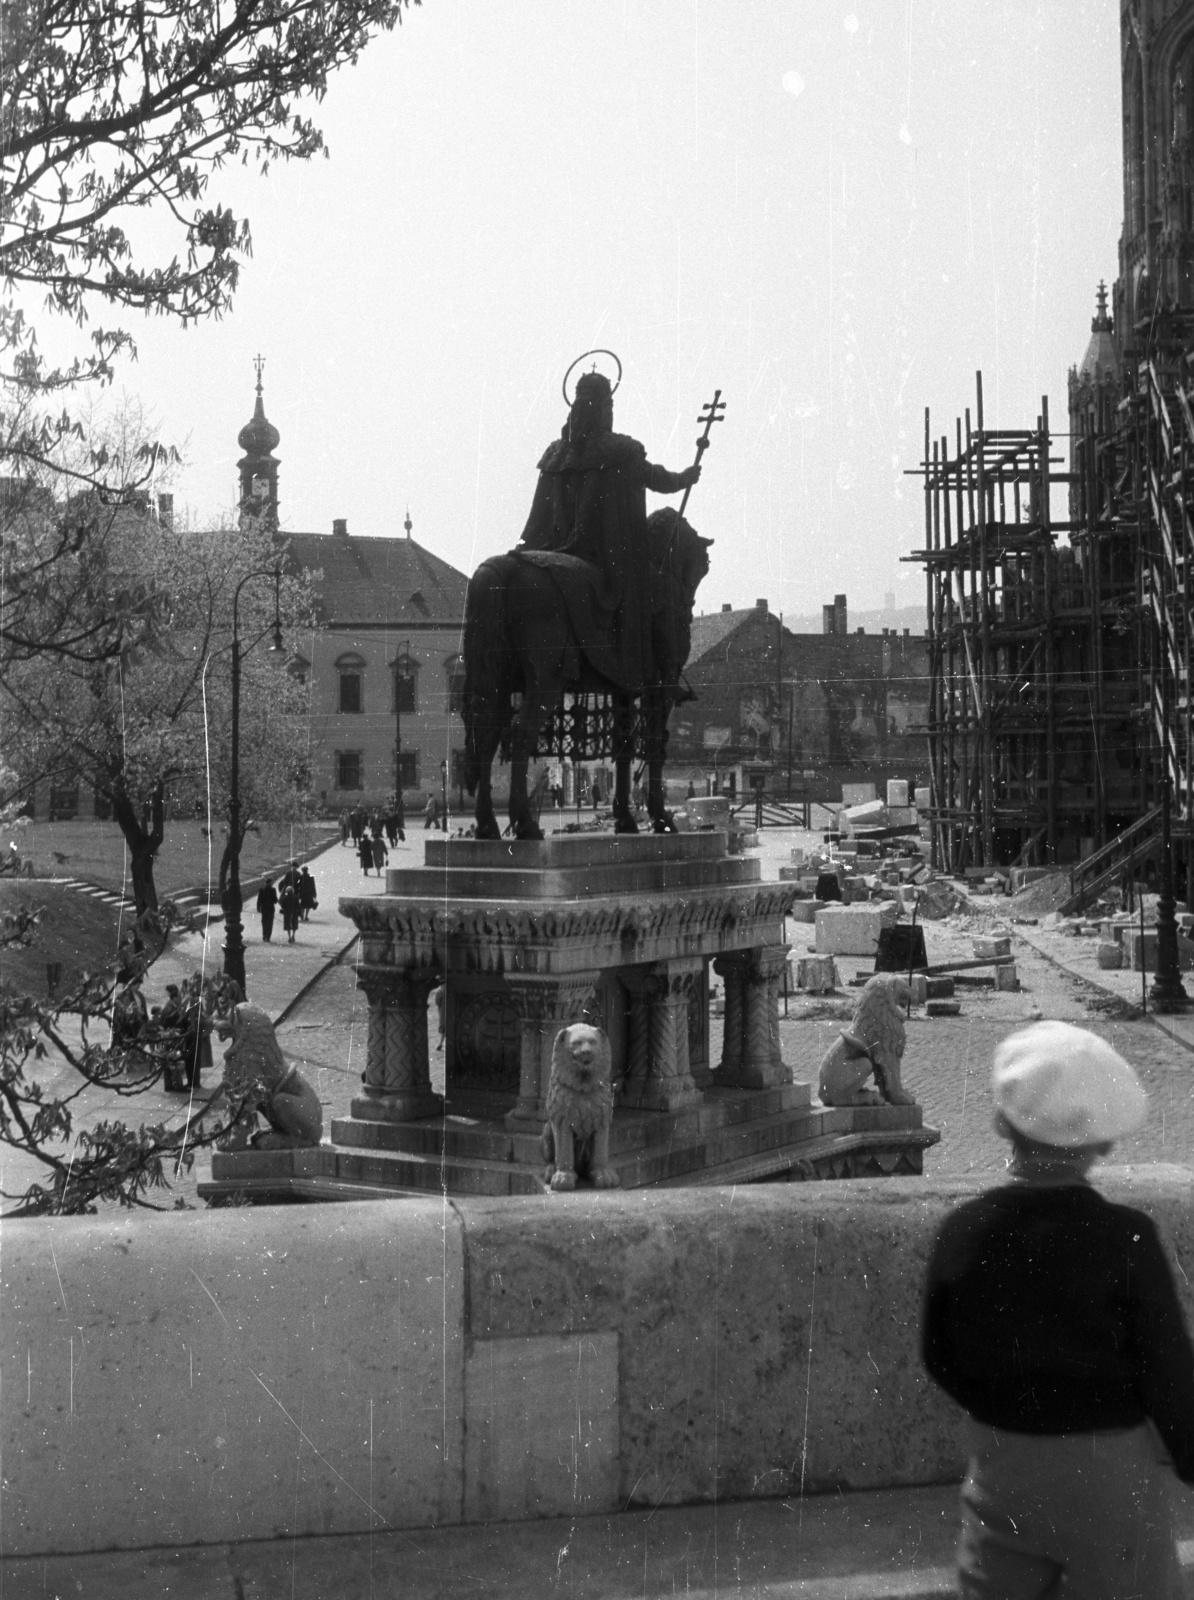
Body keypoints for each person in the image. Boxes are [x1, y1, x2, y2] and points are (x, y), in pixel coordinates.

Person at [922, 1020, 1194, 1599]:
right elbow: (1168, 1370)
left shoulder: (963, 1231)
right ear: (1104, 1141)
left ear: (1001, 1123)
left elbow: (940, 1354)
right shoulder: (1127, 1237)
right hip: (1108, 1475)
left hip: (1003, 1468)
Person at [518, 368, 700, 690]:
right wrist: (684, 478)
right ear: (603, 408)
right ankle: (656, 676)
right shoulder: (622, 451)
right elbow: (656, 478)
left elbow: (540, 513)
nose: (611, 413)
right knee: (662, 594)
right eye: (609, 407)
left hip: (546, 547)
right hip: (605, 553)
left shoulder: (554, 455)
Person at [256, 877, 277, 943]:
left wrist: (258, 908)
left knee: (264, 922)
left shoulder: (262, 889)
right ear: (270, 883)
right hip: (270, 908)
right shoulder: (273, 889)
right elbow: (275, 900)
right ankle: (268, 936)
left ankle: (264, 935)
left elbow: (259, 900)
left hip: (264, 908)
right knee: (270, 923)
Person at [279, 877, 300, 942]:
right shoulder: (296, 897)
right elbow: (298, 905)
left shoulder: (284, 898)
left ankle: (289, 937)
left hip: (287, 913)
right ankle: (293, 935)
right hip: (294, 912)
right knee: (294, 925)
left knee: (288, 925)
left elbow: (282, 906)